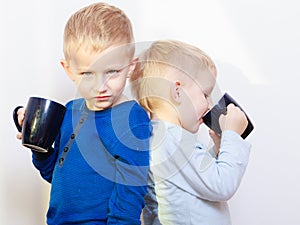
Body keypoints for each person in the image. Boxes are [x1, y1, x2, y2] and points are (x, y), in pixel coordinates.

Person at [14, 2, 151, 224]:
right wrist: (39, 148)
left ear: (130, 67)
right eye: (87, 73)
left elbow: (131, 189)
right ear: (68, 70)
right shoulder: (70, 111)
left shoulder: (131, 118)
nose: (100, 86)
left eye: (112, 72)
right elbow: (54, 175)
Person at [130, 40, 251, 225]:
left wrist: (217, 151)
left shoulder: (161, 136)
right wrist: (232, 136)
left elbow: (194, 178)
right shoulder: (174, 139)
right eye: (205, 94)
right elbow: (222, 185)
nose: (209, 105)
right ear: (178, 92)